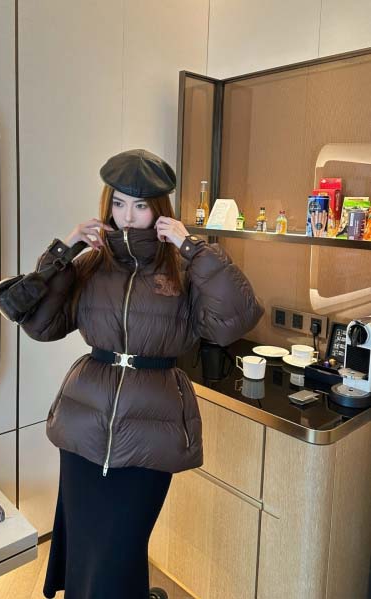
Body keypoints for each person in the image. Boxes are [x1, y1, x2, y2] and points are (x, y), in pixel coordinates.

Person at [18, 148, 264, 599]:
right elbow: (39, 323)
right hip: (84, 427)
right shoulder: (90, 265)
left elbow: (234, 320)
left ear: (160, 209)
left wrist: (194, 248)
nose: (127, 217)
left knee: (122, 547)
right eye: (118, 203)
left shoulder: (183, 268)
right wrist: (63, 252)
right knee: (87, 544)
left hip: (151, 430)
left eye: (140, 205)